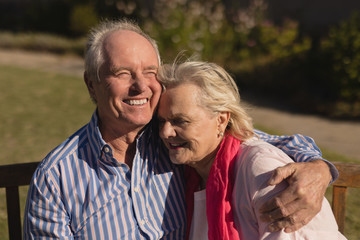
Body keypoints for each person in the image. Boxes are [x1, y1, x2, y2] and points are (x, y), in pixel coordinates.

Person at [23, 19, 337, 239]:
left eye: (149, 72)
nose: (140, 86)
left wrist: (318, 167)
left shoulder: (173, 143)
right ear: (92, 84)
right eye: (122, 73)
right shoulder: (58, 177)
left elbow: (252, 140)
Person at [157, 60, 346, 240]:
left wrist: (320, 167)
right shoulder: (192, 172)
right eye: (161, 121)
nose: (165, 133)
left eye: (180, 121)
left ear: (221, 120)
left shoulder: (263, 170)